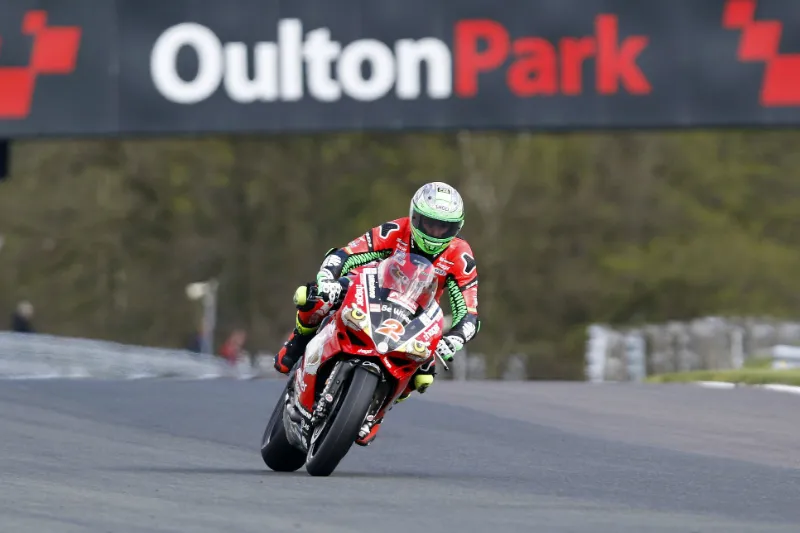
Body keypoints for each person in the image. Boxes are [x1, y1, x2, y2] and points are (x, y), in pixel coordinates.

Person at [274, 182, 480, 446]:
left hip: (415, 313)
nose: (435, 232)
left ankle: (376, 409)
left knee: (424, 374)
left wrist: (455, 339)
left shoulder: (460, 255)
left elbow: (469, 312)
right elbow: (346, 254)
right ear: (415, 216)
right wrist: (328, 278)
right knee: (312, 297)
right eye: (429, 224)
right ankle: (298, 340)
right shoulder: (397, 229)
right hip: (371, 288)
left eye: (444, 227)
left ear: (457, 228)